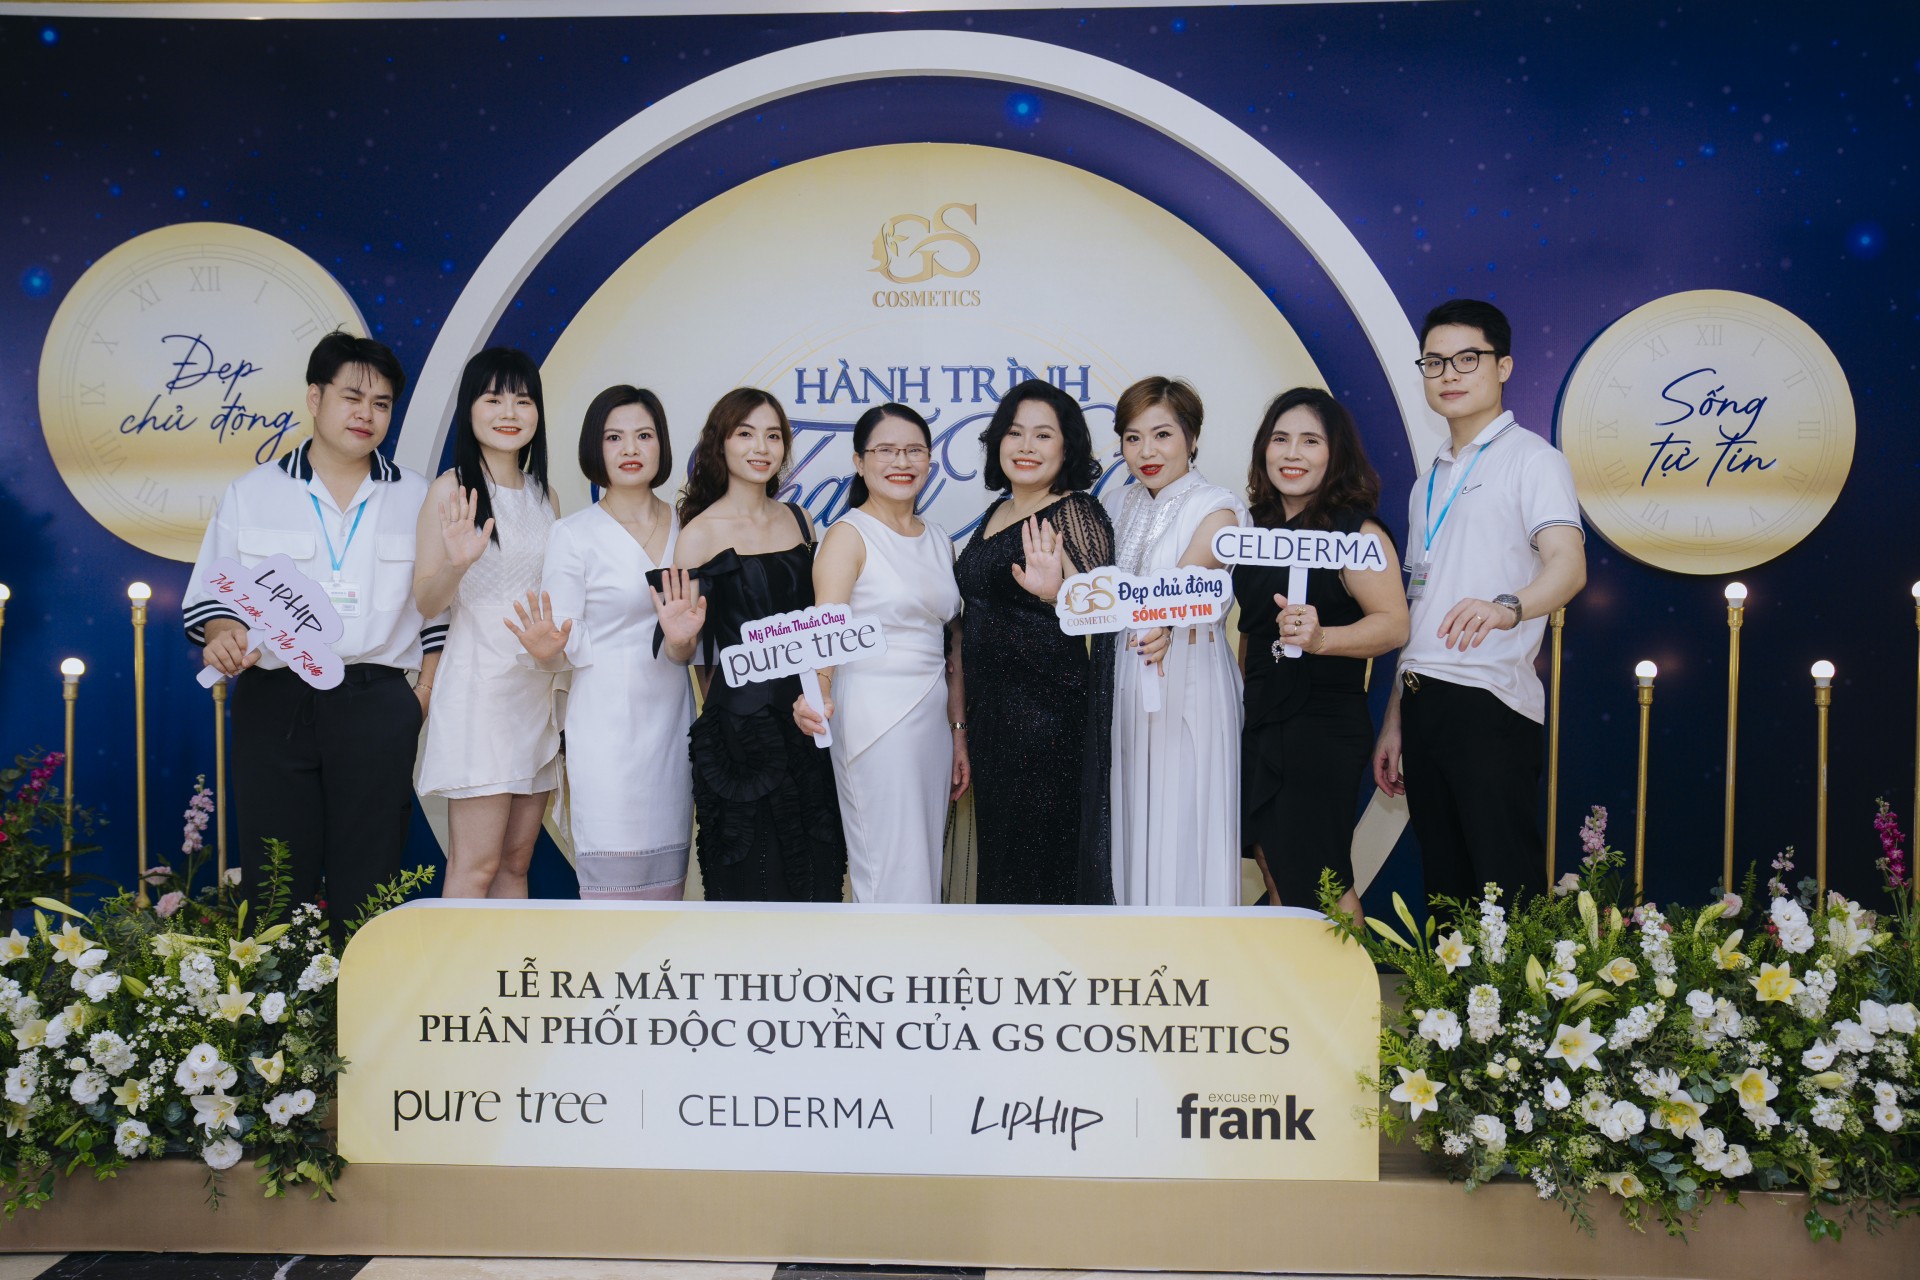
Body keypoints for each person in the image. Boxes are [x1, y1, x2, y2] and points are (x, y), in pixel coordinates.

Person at [182, 331, 440, 943]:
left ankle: (361, 1000)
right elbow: (212, 598)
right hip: (276, 699)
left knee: (371, 872)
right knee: (275, 873)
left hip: (377, 699)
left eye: (381, 403)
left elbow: (441, 610)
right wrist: (222, 632)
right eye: (353, 397)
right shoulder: (254, 493)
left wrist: (420, 697)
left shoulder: (419, 496)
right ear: (315, 398)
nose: (366, 414)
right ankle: (279, 1001)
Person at [1372, 299, 1587, 910]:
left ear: (1504, 367)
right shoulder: (1428, 481)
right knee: (1447, 892)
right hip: (1423, 698)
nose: (1449, 374)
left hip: (1489, 700)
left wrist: (1507, 607)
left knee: (1504, 888)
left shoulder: (1534, 460)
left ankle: (1518, 982)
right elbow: (1420, 601)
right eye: (1434, 362)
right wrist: (1395, 715)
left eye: (1467, 359)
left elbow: (1569, 566)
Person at [651, 388, 847, 902]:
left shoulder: (800, 520)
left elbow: (821, 621)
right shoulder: (697, 534)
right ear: (720, 443)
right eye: (746, 433)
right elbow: (687, 652)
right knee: (751, 878)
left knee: (817, 872)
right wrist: (678, 640)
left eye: (773, 436)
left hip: (807, 720)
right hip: (739, 733)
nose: (761, 447)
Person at [507, 386, 694, 900]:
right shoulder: (574, 534)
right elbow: (561, 641)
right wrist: (546, 648)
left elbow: (687, 646)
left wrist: (682, 642)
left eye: (644, 435)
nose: (630, 448)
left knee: (667, 889)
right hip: (604, 726)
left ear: (662, 445)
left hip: (672, 723)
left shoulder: (689, 528)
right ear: (595, 447)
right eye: (614, 437)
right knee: (613, 891)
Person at [1234, 388, 1408, 920]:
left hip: (1320, 725)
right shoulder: (1251, 528)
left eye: (1310, 441)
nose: (1292, 453)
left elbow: (1394, 623)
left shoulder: (1357, 532)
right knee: (1274, 865)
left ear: (1336, 453)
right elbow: (1251, 628)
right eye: (1280, 439)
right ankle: (1295, 974)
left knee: (1318, 875)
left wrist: (1321, 639)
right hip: (1260, 718)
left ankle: (1350, 977)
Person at [793, 404, 967, 903]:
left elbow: (954, 645)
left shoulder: (939, 539)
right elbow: (825, 629)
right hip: (874, 716)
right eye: (886, 450)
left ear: (930, 460)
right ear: (859, 461)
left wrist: (958, 732)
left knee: (922, 861)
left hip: (931, 718)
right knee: (889, 866)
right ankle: (886, 953)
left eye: (914, 450)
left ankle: (916, 953)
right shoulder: (848, 535)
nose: (902, 461)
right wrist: (816, 694)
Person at [953, 379, 1116, 905]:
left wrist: (1055, 595)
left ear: (1067, 447)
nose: (1026, 446)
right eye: (1014, 432)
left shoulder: (1074, 512)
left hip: (1049, 726)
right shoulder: (997, 512)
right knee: (1004, 863)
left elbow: (1108, 617)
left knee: (1042, 867)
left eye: (1043, 435)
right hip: (993, 723)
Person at [413, 348, 561, 899]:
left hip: (535, 689)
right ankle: (456, 962)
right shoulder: (450, 490)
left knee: (516, 863)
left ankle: (508, 959)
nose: (509, 413)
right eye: (493, 398)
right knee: (475, 865)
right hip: (480, 692)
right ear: (469, 408)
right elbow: (426, 602)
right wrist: (457, 564)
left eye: (523, 400)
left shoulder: (546, 495)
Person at [1106, 377, 1248, 907]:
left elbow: (1189, 577)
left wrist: (1162, 621)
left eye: (1162, 434)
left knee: (1184, 820)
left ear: (1192, 437)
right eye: (1133, 437)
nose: (1146, 451)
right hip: (1125, 680)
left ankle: (1192, 947)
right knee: (1131, 820)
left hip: (1188, 680)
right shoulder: (1116, 503)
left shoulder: (1218, 507)